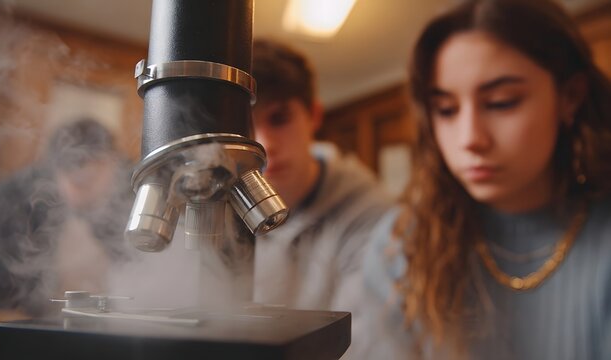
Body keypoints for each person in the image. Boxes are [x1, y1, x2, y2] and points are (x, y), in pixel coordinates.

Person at [362, 0, 611, 359]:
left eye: (501, 102)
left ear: (570, 97)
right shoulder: (402, 246)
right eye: (446, 110)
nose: (470, 138)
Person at [251, 39, 393, 315]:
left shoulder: (374, 217)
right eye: (245, 124)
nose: (264, 144)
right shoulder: (217, 207)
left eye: (279, 118)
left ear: (313, 116)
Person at [0, 118, 135, 316]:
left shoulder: (126, 194)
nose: (83, 188)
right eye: (78, 182)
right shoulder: (15, 204)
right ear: (55, 169)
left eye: (92, 180)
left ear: (113, 163)